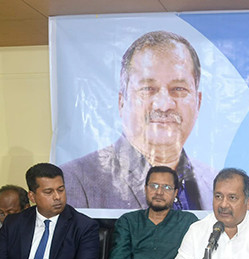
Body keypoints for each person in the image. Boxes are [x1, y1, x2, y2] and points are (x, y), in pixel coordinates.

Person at [62, 30, 212, 210]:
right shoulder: (75, 180)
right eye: (148, 89)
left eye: (178, 89)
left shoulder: (214, 183)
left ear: (198, 102)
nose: (164, 105)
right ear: (122, 102)